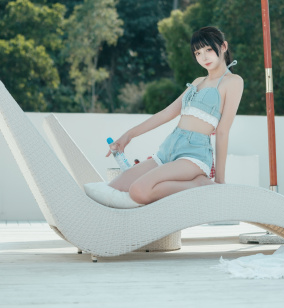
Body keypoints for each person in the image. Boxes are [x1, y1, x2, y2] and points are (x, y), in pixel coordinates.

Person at [104, 26, 244, 207]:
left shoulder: (233, 82)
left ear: (223, 46)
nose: (204, 57)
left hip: (194, 155)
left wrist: (219, 180)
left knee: (138, 190)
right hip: (168, 149)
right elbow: (166, 113)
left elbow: (223, 131)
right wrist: (128, 136)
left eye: (209, 49)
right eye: (198, 53)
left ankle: (200, 184)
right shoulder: (197, 82)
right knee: (113, 188)